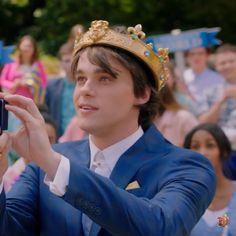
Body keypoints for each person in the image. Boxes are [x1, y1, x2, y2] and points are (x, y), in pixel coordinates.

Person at [0, 20, 215, 235]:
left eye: (104, 78)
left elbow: (160, 227)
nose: (85, 90)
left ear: (142, 94)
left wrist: (53, 163)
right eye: (80, 78)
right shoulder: (46, 162)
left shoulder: (187, 167)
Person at [184, 123, 236, 236]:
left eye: (210, 145)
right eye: (195, 147)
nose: (202, 153)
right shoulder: (183, 198)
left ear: (225, 151)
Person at [3, 108, 57, 192]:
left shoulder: (58, 177)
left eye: (50, 139)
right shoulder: (6, 176)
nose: (46, 144)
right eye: (41, 138)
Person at [198, 44, 236, 150]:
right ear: (216, 67)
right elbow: (203, 123)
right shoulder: (209, 92)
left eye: (231, 61)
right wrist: (221, 101)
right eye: (223, 63)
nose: (227, 66)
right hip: (223, 150)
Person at [0, 35, 47, 104]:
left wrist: (30, 83)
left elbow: (44, 83)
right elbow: (2, 80)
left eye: (30, 46)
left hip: (30, 103)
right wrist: (14, 84)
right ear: (20, 47)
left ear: (34, 49)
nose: (27, 48)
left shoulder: (38, 65)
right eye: (25, 46)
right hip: (12, 101)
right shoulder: (11, 63)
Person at [45, 42, 76, 137]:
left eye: (74, 60)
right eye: (67, 61)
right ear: (60, 63)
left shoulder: (87, 86)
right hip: (59, 136)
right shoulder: (52, 86)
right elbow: (47, 111)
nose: (71, 64)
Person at [183, 47, 224, 116]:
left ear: (207, 55)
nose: (196, 57)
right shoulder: (181, 78)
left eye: (200, 53)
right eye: (192, 54)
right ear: (187, 57)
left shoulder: (218, 78)